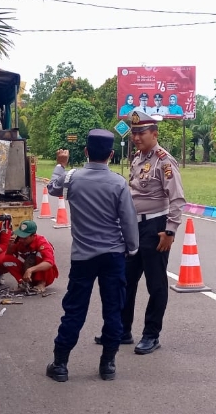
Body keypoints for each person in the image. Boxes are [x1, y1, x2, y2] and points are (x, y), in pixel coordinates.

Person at [45, 129, 139, 383]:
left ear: (86, 151)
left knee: (74, 310)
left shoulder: (72, 178)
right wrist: (131, 248)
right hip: (113, 256)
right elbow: (129, 222)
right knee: (113, 310)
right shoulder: (118, 183)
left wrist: (60, 165)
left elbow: (53, 189)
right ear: (110, 154)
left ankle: (61, 364)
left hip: (83, 257)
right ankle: (108, 364)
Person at [94, 108, 186, 355]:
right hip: (133, 228)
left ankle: (151, 335)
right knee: (126, 280)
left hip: (155, 228)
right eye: (134, 132)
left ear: (154, 134)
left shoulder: (164, 161)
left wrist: (170, 231)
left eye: (141, 132)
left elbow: (177, 199)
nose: (136, 137)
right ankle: (122, 330)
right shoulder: (137, 159)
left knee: (156, 284)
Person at [0, 219, 58, 293]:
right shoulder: (19, 241)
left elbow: (49, 263)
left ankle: (41, 284)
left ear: (33, 236)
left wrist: (30, 270)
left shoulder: (42, 243)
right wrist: (10, 246)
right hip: (27, 272)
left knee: (40, 255)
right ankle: (23, 283)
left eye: (24, 238)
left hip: (45, 274)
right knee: (6, 259)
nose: (21, 239)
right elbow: (8, 256)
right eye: (20, 236)